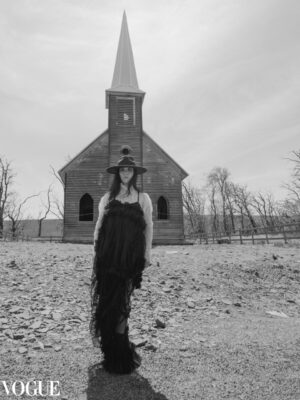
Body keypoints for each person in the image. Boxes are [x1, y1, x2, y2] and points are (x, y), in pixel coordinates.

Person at [89, 145, 153, 374]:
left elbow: (148, 228)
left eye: (129, 170)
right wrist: (96, 251)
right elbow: (99, 225)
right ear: (118, 173)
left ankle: (121, 351)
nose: (126, 173)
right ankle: (110, 350)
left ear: (135, 173)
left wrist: (146, 254)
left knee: (123, 302)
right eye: (122, 170)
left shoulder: (143, 198)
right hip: (108, 256)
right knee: (107, 301)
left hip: (130, 258)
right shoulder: (108, 197)